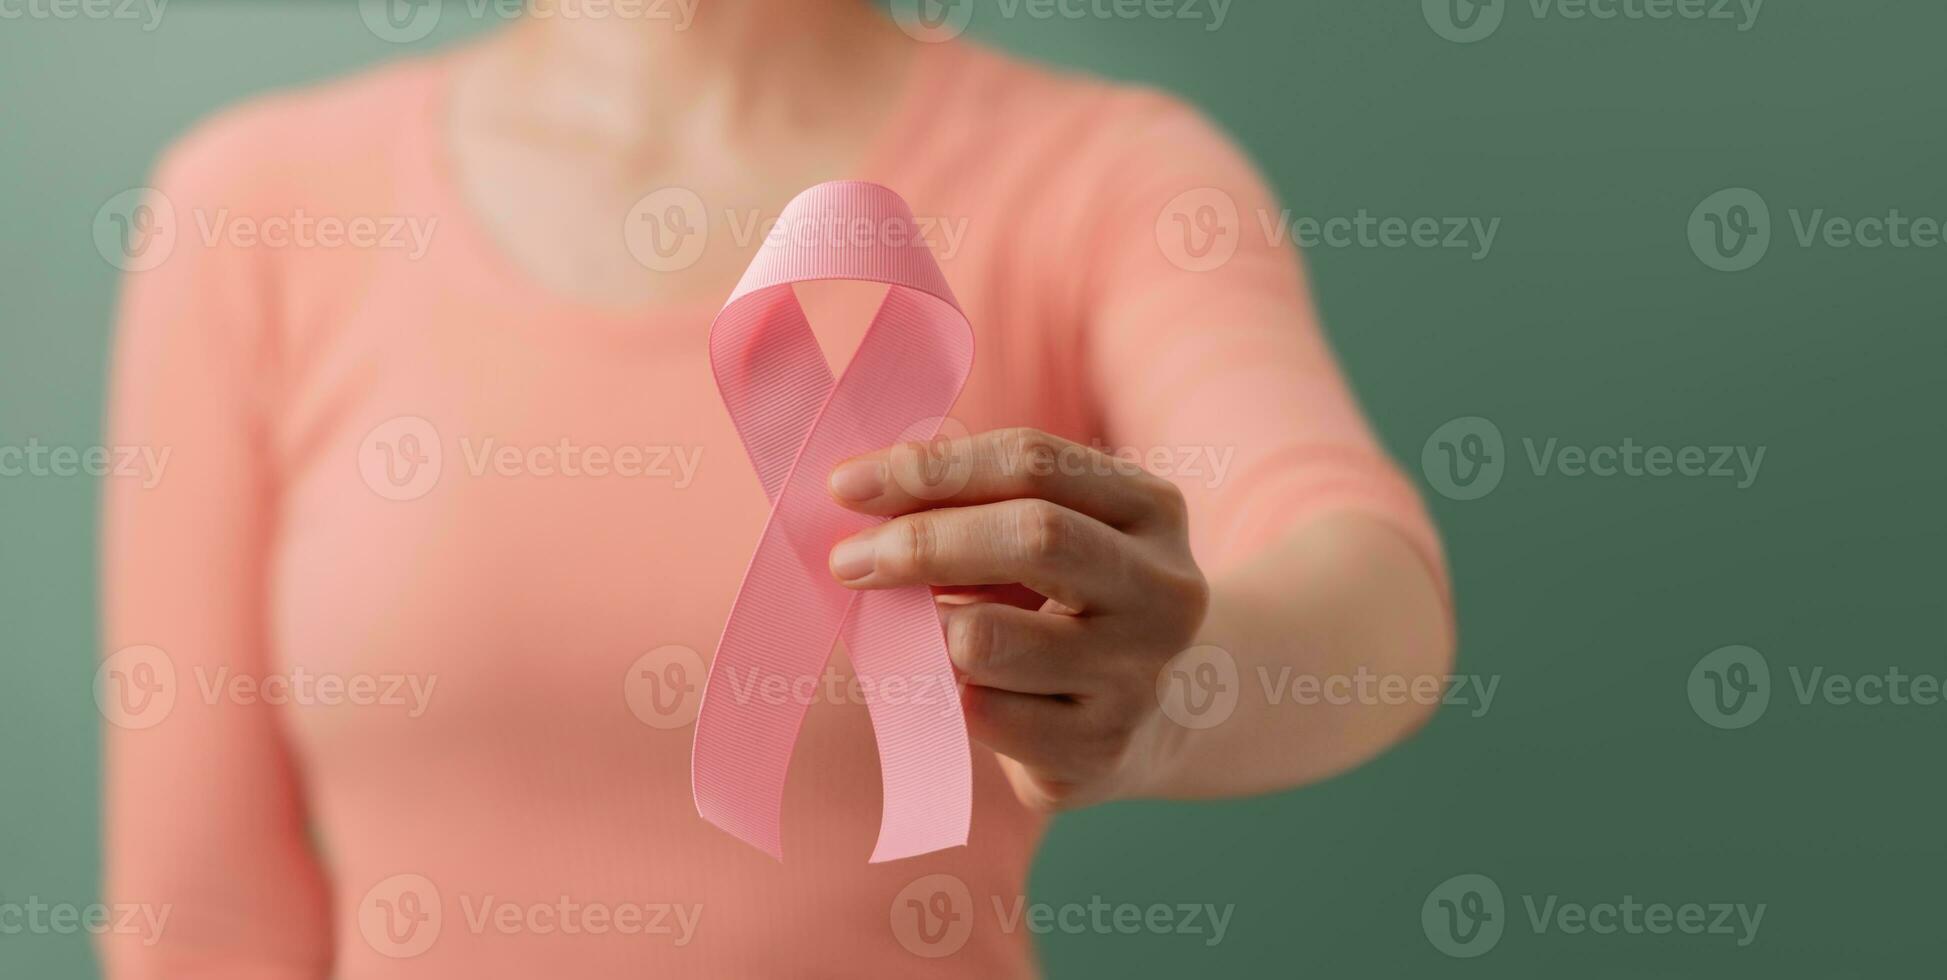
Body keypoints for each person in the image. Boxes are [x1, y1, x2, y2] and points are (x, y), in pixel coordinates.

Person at [99, 0, 1453, 974]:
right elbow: (197, 924)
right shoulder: (255, 212)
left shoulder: (1111, 182)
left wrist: (1164, 700)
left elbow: (1375, 605)